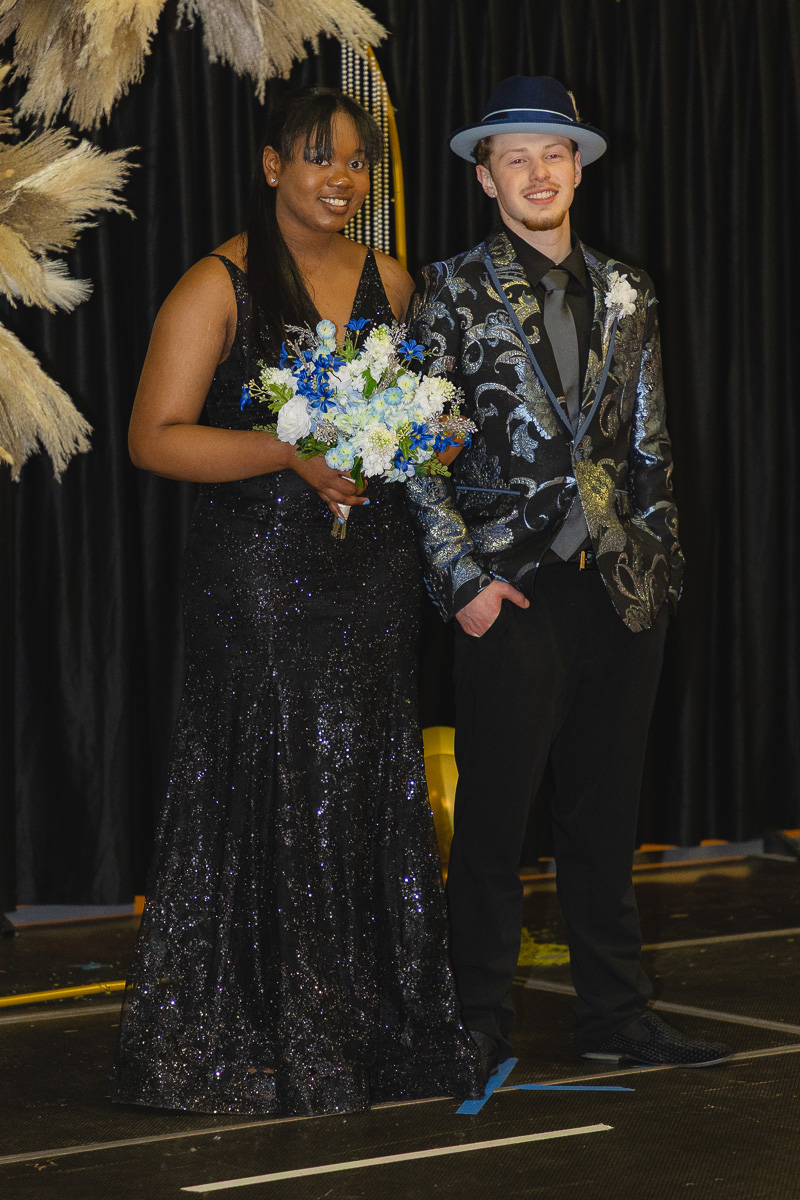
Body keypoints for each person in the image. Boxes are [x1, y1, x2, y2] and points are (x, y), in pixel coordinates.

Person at [110, 87, 485, 1117]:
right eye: (319, 158)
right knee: (274, 778)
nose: (341, 179)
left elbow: (417, 432)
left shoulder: (394, 283)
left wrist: (428, 439)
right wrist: (289, 451)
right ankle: (255, 1032)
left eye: (356, 163)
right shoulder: (216, 283)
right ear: (272, 164)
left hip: (366, 577)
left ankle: (357, 1031)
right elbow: (154, 437)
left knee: (358, 775)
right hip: (258, 582)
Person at [406, 76, 733, 1071]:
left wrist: (657, 570)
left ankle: (614, 1018)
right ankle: (475, 1025)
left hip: (618, 593)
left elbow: (649, 445)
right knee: (495, 823)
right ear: (484, 175)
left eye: (555, 153)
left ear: (576, 168)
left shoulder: (629, 290)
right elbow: (415, 450)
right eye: (517, 155)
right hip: (510, 589)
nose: (538, 170)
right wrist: (460, 583)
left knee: (604, 819)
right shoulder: (448, 288)